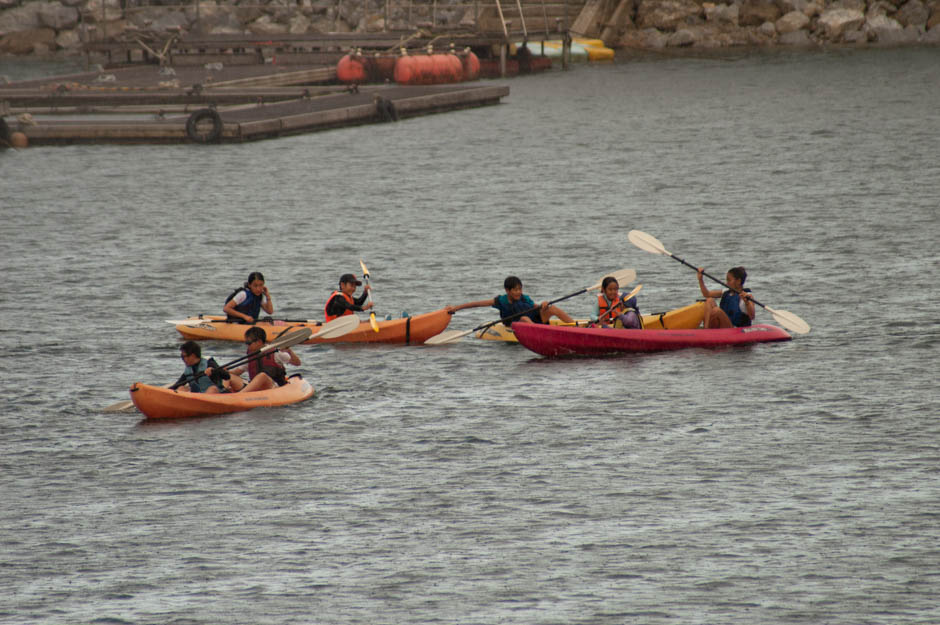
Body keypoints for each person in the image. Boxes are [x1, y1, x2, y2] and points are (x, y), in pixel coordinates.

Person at [447, 275, 575, 326]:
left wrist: (544, 306)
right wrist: (456, 308)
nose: (518, 292)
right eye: (515, 290)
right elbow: (477, 304)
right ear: (508, 290)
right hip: (515, 324)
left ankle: (576, 326)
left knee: (552, 308)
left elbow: (536, 307)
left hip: (533, 321)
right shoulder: (500, 301)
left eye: (520, 289)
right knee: (524, 319)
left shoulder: (524, 298)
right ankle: (543, 335)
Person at [231, 327, 301, 393]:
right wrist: (223, 372)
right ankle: (223, 392)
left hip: (274, 387)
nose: (247, 345)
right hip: (256, 388)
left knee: (262, 376)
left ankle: (239, 395)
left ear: (259, 342)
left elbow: (297, 363)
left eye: (248, 343)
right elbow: (237, 372)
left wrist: (289, 351)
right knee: (229, 376)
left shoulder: (275, 353)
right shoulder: (251, 356)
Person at [176, 340, 243, 394]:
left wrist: (214, 371)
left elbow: (227, 376)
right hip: (197, 397)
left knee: (212, 389)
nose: (183, 359)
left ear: (193, 355)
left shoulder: (209, 363)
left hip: (217, 395)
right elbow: (177, 384)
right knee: (181, 388)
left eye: (183, 357)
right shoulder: (188, 370)